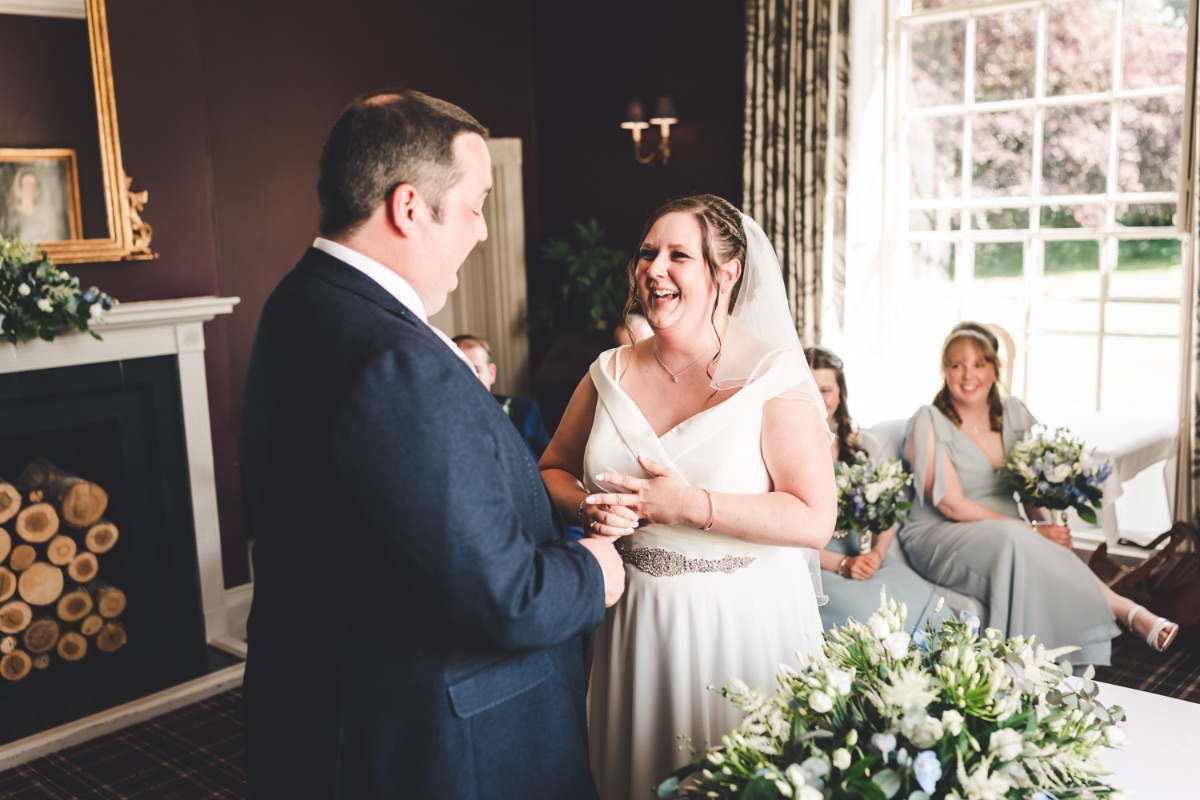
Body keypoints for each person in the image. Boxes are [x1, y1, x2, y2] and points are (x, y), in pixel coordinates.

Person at [240, 89, 625, 800]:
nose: (482, 233)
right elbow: (505, 597)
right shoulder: (397, 359)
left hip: (330, 700)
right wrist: (593, 571)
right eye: (476, 206)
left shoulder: (298, 304)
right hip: (433, 739)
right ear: (409, 208)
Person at [540, 194, 836, 800]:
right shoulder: (608, 371)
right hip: (636, 621)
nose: (654, 269)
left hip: (741, 622)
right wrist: (588, 507)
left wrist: (688, 506)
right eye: (648, 253)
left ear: (727, 273)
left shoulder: (772, 378)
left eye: (679, 255)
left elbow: (814, 518)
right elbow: (553, 469)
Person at [899, 326, 1179, 665]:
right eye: (957, 365)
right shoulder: (929, 420)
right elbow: (951, 504)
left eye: (979, 364)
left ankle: (1046, 666)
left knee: (1024, 541)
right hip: (941, 533)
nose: (968, 375)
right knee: (1014, 537)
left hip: (1008, 531)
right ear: (945, 371)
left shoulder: (1014, 414)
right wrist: (1033, 530)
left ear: (995, 369)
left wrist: (1047, 527)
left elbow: (1030, 489)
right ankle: (1126, 611)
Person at [805, 345, 949, 632]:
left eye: (825, 390)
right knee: (869, 618)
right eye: (809, 389)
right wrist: (842, 563)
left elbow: (887, 513)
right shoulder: (785, 448)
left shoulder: (865, 444)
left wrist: (878, 554)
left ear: (840, 394)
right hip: (816, 564)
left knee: (933, 612)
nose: (817, 399)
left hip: (866, 558)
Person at [453, 333, 553, 458]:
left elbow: (550, 461)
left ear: (491, 373)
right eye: (462, 370)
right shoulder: (444, 419)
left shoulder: (526, 411)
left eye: (476, 370)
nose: (469, 378)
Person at [2, 168, 66, 243]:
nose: (31, 188)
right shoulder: (9, 217)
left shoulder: (45, 215)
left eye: (34, 185)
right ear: (19, 187)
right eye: (27, 185)